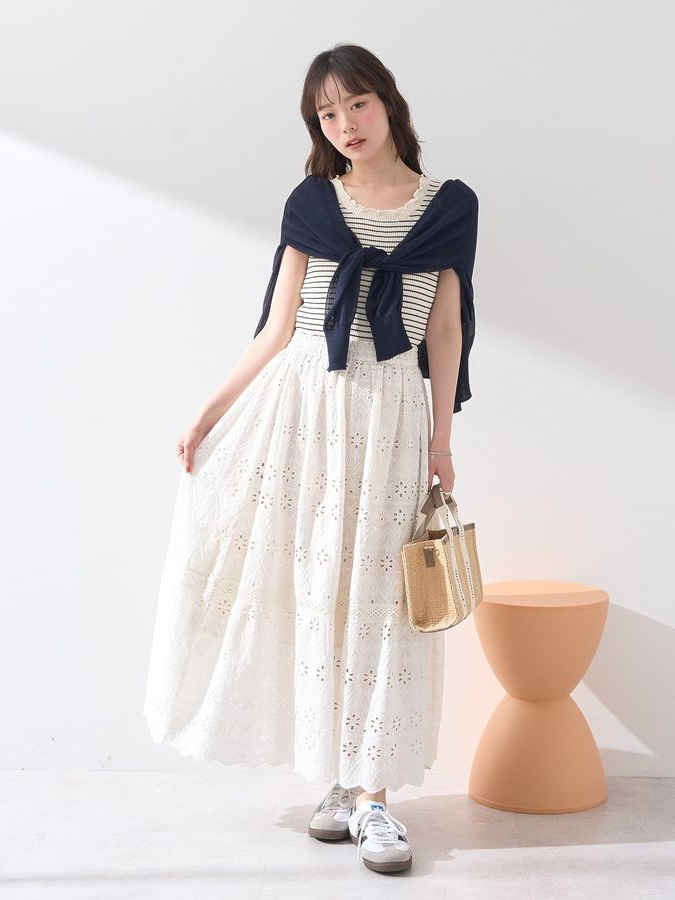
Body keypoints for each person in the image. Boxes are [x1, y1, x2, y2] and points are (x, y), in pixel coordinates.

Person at [143, 42, 479, 876]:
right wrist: (208, 413)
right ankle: (340, 778)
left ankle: (374, 797)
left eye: (355, 104)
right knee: (318, 589)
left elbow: (444, 329)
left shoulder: (450, 206)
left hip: (391, 410)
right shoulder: (312, 201)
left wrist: (441, 441)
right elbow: (278, 325)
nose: (344, 124)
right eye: (326, 113)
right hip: (306, 407)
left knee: (379, 597)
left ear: (387, 102)